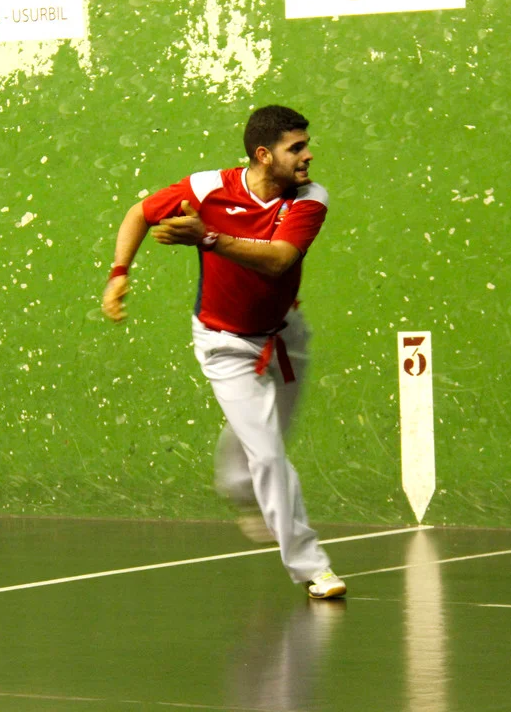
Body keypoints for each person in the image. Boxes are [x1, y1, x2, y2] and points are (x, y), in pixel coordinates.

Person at [102, 105, 345, 599]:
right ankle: (312, 568)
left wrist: (208, 238)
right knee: (269, 454)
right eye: (296, 148)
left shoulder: (309, 198)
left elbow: (279, 261)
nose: (308, 155)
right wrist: (119, 272)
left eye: (306, 145)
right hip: (225, 344)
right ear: (264, 154)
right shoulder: (208, 187)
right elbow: (140, 213)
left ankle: (238, 486)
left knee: (268, 441)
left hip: (285, 336)